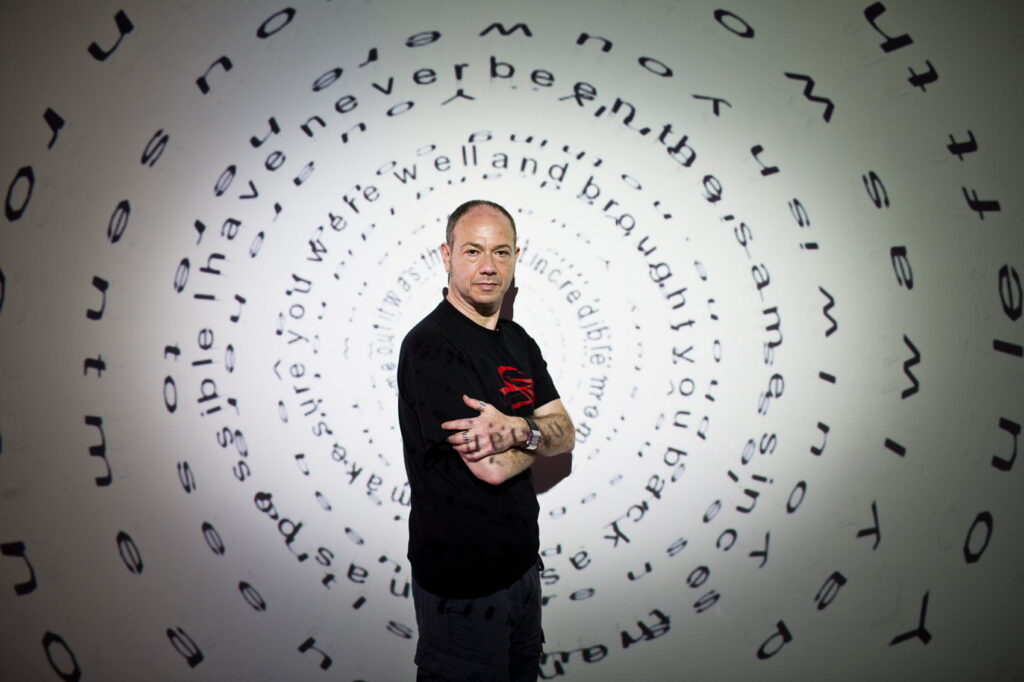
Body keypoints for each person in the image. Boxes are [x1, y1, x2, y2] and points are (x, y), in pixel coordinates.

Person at [398, 199, 575, 681]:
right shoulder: (432, 347)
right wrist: (538, 434)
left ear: (516, 257)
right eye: (473, 251)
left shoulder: (518, 341)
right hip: (462, 590)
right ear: (446, 255)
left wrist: (517, 429)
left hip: (522, 570)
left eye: (501, 252)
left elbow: (565, 434)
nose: (488, 266)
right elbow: (490, 468)